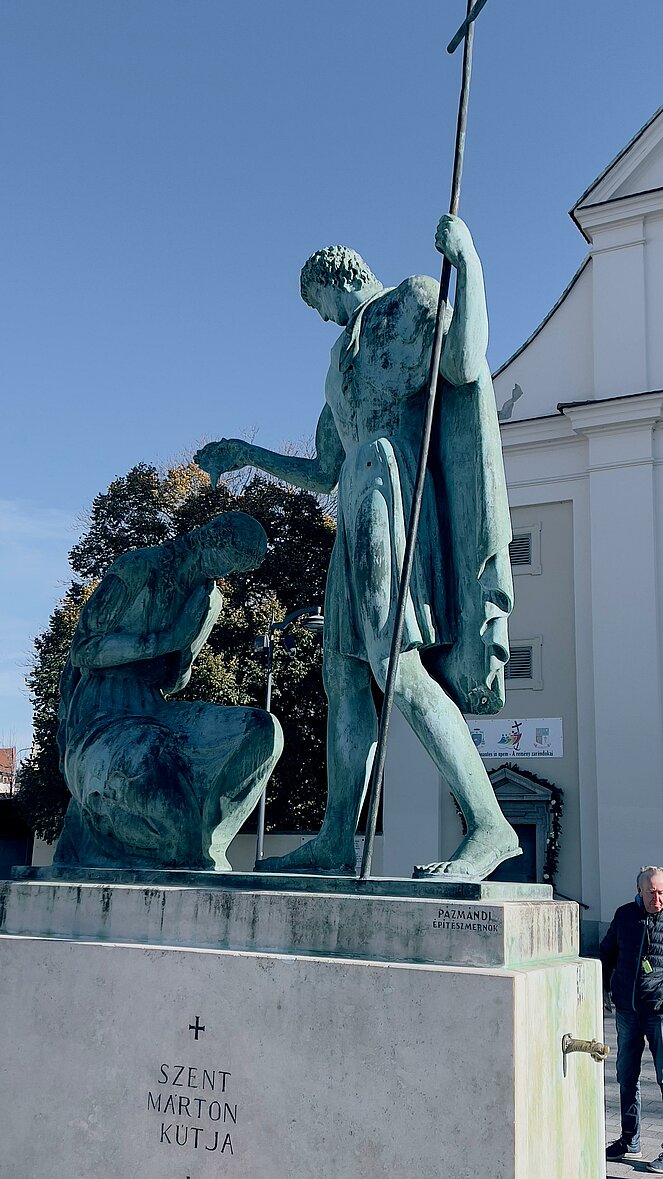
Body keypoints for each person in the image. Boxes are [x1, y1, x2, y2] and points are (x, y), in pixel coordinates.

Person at [195, 214, 518, 879]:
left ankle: (489, 824)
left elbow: (462, 361)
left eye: (318, 304)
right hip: (356, 499)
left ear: (335, 277)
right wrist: (244, 453)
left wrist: (470, 262)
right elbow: (322, 470)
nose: (320, 319)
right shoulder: (337, 362)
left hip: (393, 490)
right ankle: (337, 837)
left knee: (395, 667)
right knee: (343, 675)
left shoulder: (409, 299)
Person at [55, 512, 283, 871]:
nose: (228, 574)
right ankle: (183, 848)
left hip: (155, 709)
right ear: (214, 539)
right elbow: (84, 650)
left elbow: (174, 682)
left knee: (263, 731)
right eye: (232, 562)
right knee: (157, 774)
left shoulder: (210, 600)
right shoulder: (139, 568)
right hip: (102, 713)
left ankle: (207, 848)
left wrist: (184, 650)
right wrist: (165, 640)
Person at [601, 867, 663, 1171]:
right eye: (651, 891)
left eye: (662, 892)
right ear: (639, 891)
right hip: (627, 1010)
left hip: (660, 1011)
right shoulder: (625, 915)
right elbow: (606, 953)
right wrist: (602, 993)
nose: (658, 898)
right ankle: (630, 1140)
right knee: (626, 1077)